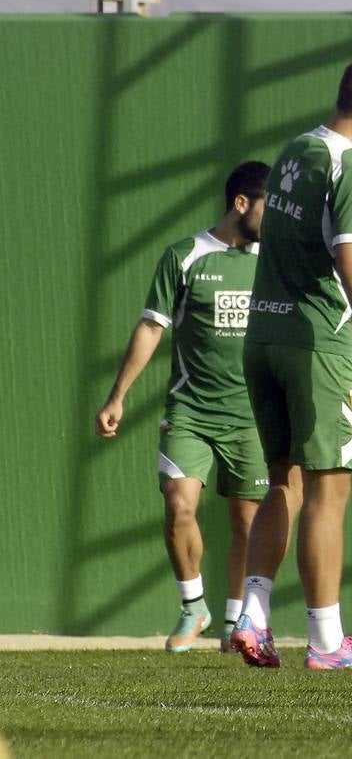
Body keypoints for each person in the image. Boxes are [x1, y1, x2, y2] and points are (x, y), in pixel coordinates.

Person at [230, 54, 352, 671]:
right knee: (329, 491)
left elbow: (306, 255)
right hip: (314, 347)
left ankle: (252, 617)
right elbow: (351, 262)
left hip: (264, 338)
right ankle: (328, 642)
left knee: (282, 480)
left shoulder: (292, 152)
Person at [95, 161, 271, 653]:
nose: (273, 217)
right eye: (267, 206)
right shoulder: (185, 256)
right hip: (191, 410)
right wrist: (117, 396)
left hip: (253, 413)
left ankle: (237, 623)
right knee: (178, 505)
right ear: (241, 204)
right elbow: (152, 327)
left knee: (246, 521)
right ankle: (194, 604)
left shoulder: (274, 260)